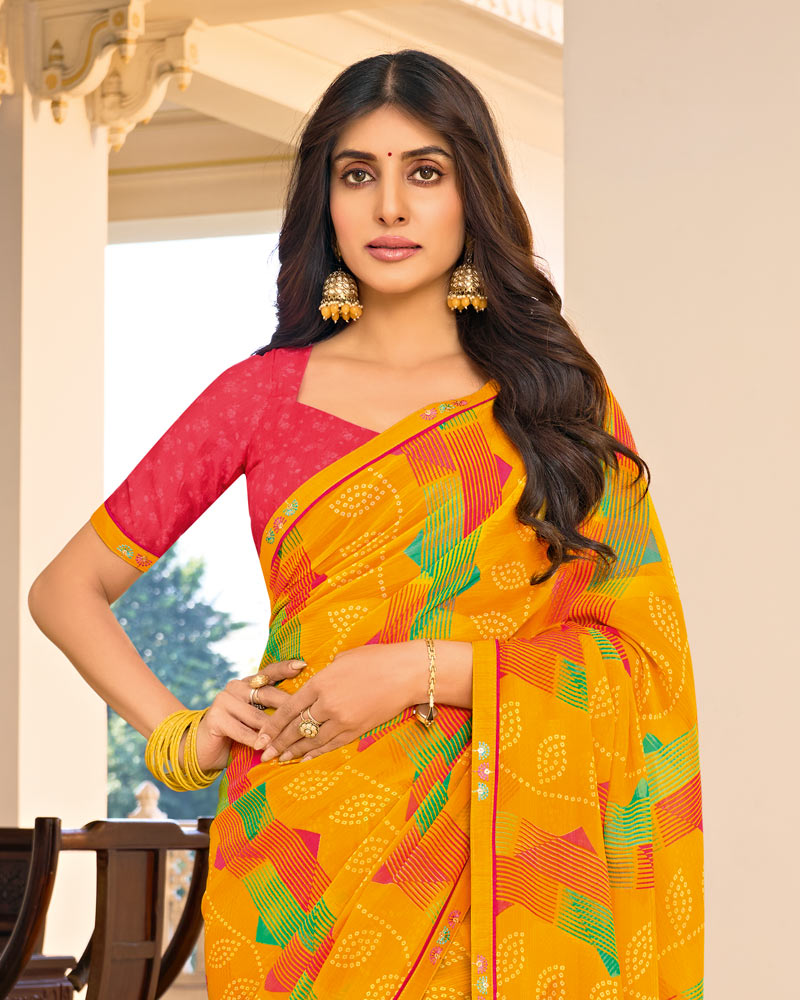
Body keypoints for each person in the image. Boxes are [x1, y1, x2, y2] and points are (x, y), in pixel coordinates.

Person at [28, 49, 704, 1000]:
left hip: (490, 865)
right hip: (295, 867)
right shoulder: (260, 397)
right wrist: (182, 733)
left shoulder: (555, 401)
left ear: (471, 195)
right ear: (326, 200)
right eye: (358, 174)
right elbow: (64, 590)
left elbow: (641, 660)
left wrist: (420, 670)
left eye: (423, 172)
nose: (390, 207)